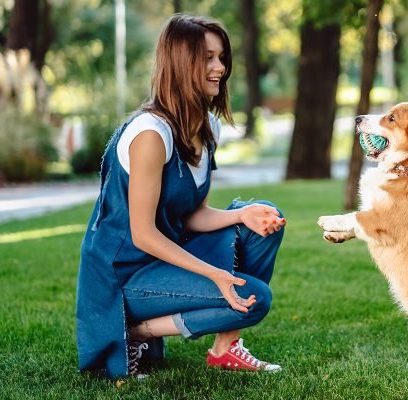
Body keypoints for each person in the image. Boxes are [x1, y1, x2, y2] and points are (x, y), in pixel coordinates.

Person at [76, 14, 286, 379]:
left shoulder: (206, 126)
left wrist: (242, 215)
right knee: (257, 298)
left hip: (166, 258)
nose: (219, 68)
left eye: (221, 57)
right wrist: (216, 274)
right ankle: (133, 331)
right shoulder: (150, 135)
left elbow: (192, 215)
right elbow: (142, 234)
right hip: (124, 278)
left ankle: (226, 347)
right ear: (180, 63)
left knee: (264, 219)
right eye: (207, 57)